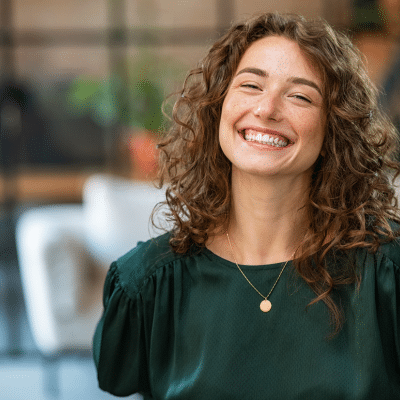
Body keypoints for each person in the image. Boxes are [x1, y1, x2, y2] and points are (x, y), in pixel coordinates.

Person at [93, 12, 400, 399]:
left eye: (300, 96)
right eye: (251, 85)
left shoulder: (386, 275)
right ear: (219, 104)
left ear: (334, 127)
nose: (267, 108)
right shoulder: (147, 285)